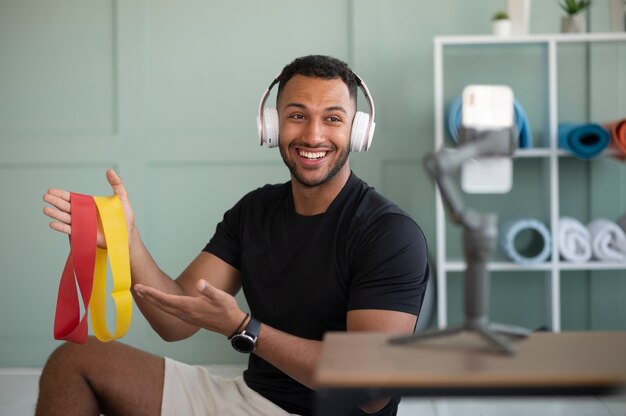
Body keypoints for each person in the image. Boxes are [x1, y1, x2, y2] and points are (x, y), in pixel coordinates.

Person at [38, 55, 429, 416]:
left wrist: (245, 329)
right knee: (74, 361)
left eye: (332, 118)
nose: (313, 135)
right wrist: (128, 239)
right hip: (250, 400)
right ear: (271, 125)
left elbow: (370, 388)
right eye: (297, 115)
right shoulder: (255, 210)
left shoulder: (390, 234)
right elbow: (174, 323)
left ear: (358, 130)